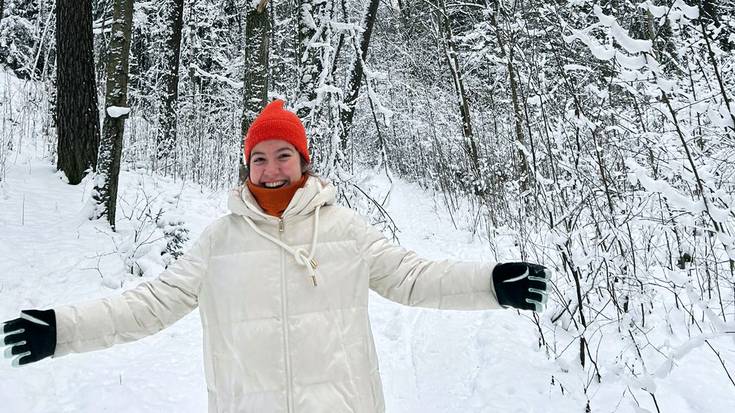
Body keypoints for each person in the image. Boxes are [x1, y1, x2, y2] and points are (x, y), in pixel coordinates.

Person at [2, 100, 551, 412]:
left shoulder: (344, 229)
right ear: (247, 167)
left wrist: (490, 284)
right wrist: (64, 330)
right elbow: (152, 303)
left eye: (283, 155)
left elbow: (411, 277)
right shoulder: (219, 242)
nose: (270, 168)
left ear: (303, 162)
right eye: (258, 158)